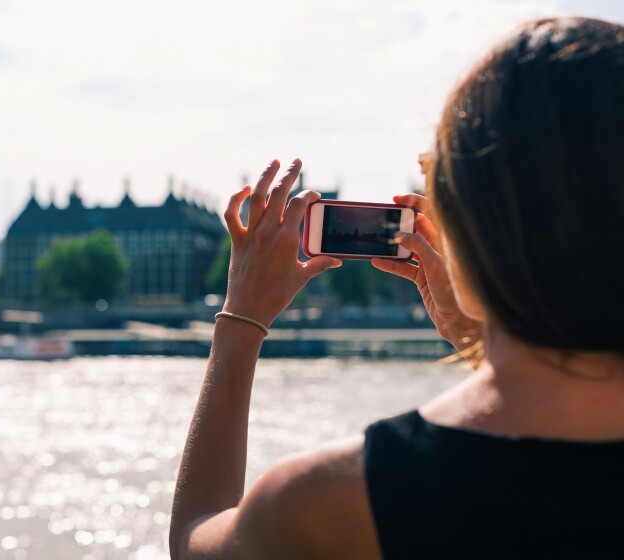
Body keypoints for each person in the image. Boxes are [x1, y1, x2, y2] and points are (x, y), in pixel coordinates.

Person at [169, 17, 624, 560]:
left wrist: (241, 321)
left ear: (472, 224)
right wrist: (480, 338)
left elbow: (194, 537)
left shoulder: (333, 498)